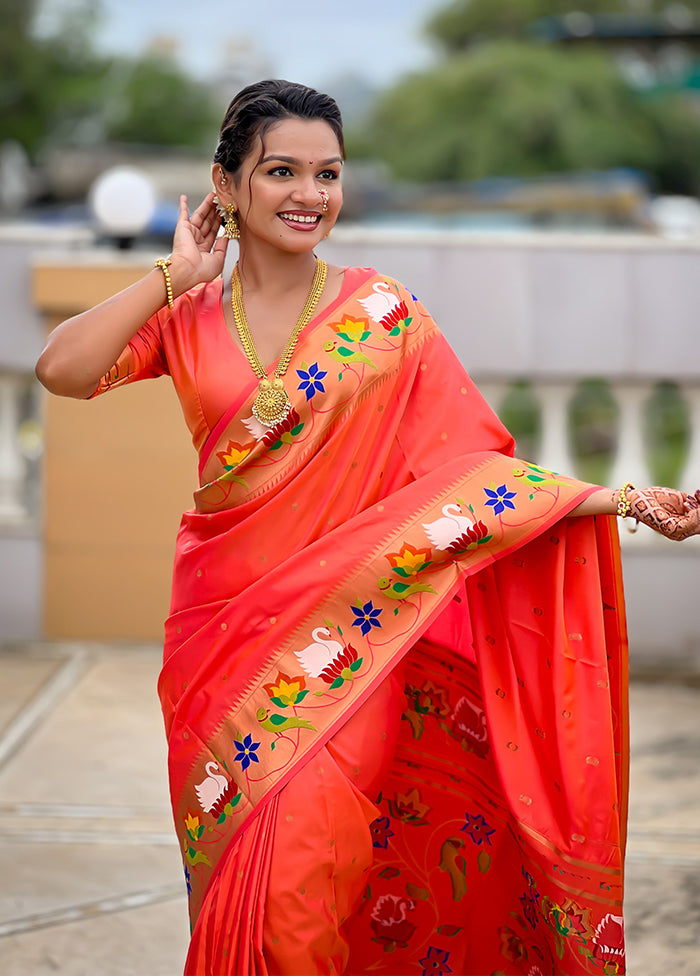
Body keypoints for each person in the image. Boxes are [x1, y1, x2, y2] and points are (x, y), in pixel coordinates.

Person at [36, 79, 700, 976]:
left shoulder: (382, 316)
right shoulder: (188, 320)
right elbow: (61, 370)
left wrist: (617, 501)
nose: (310, 194)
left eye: (328, 173)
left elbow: (468, 471)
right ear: (226, 185)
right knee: (235, 885)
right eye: (281, 172)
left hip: (348, 643)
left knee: (302, 892)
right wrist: (172, 275)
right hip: (219, 644)